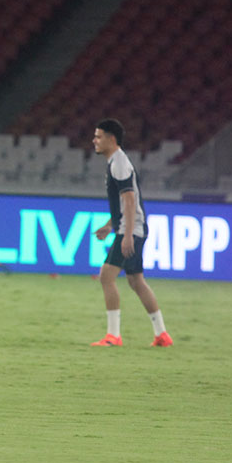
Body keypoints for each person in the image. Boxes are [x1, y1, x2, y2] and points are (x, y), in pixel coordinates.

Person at [89, 118, 171, 347]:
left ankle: (113, 336)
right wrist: (110, 225)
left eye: (98, 136)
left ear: (111, 139)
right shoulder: (117, 162)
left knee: (106, 276)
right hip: (132, 227)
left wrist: (125, 235)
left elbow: (130, 199)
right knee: (136, 281)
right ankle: (161, 334)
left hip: (131, 230)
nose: (94, 140)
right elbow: (123, 201)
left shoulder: (119, 163)